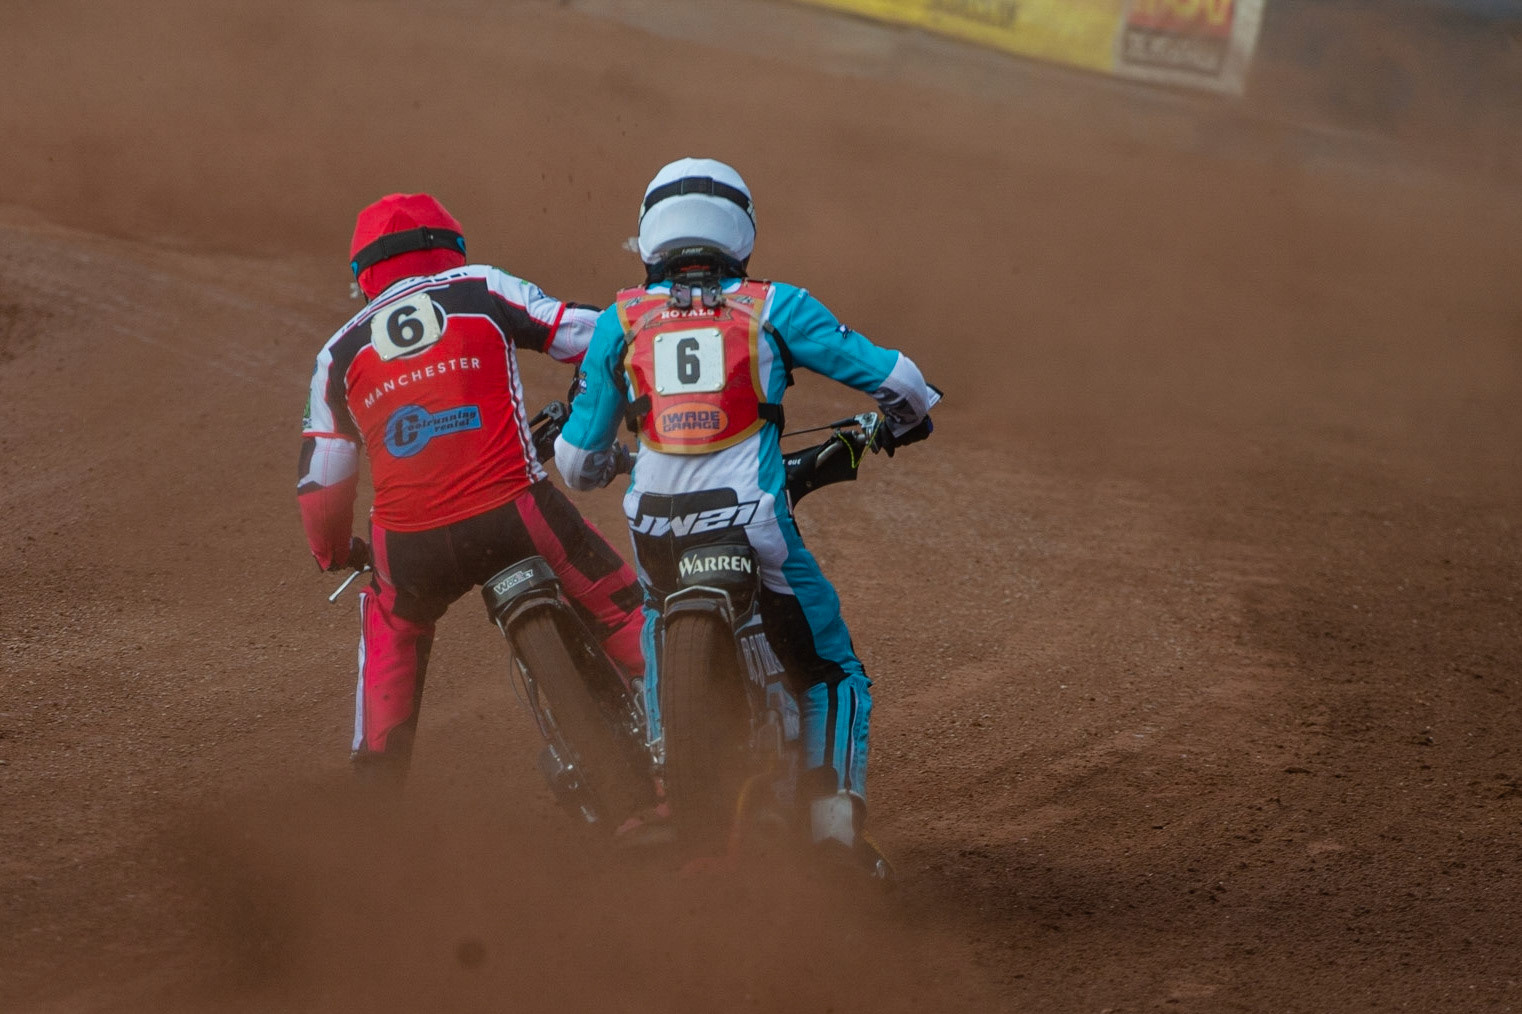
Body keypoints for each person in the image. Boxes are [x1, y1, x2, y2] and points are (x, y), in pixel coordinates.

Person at [554, 158, 938, 872]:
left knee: (660, 626)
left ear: (648, 235)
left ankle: (673, 780)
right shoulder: (775, 306)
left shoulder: (619, 320)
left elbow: (576, 466)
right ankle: (832, 837)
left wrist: (615, 458)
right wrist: (907, 419)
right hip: (753, 521)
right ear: (742, 231)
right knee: (832, 674)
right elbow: (901, 383)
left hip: (655, 530)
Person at [298, 192, 646, 786]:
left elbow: (323, 472)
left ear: (363, 275)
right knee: (622, 609)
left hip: (409, 547)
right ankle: (695, 711)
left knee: (393, 627)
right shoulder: (480, 286)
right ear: (449, 247)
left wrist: (335, 553)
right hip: (516, 511)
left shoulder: (336, 354)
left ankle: (376, 780)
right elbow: (581, 333)